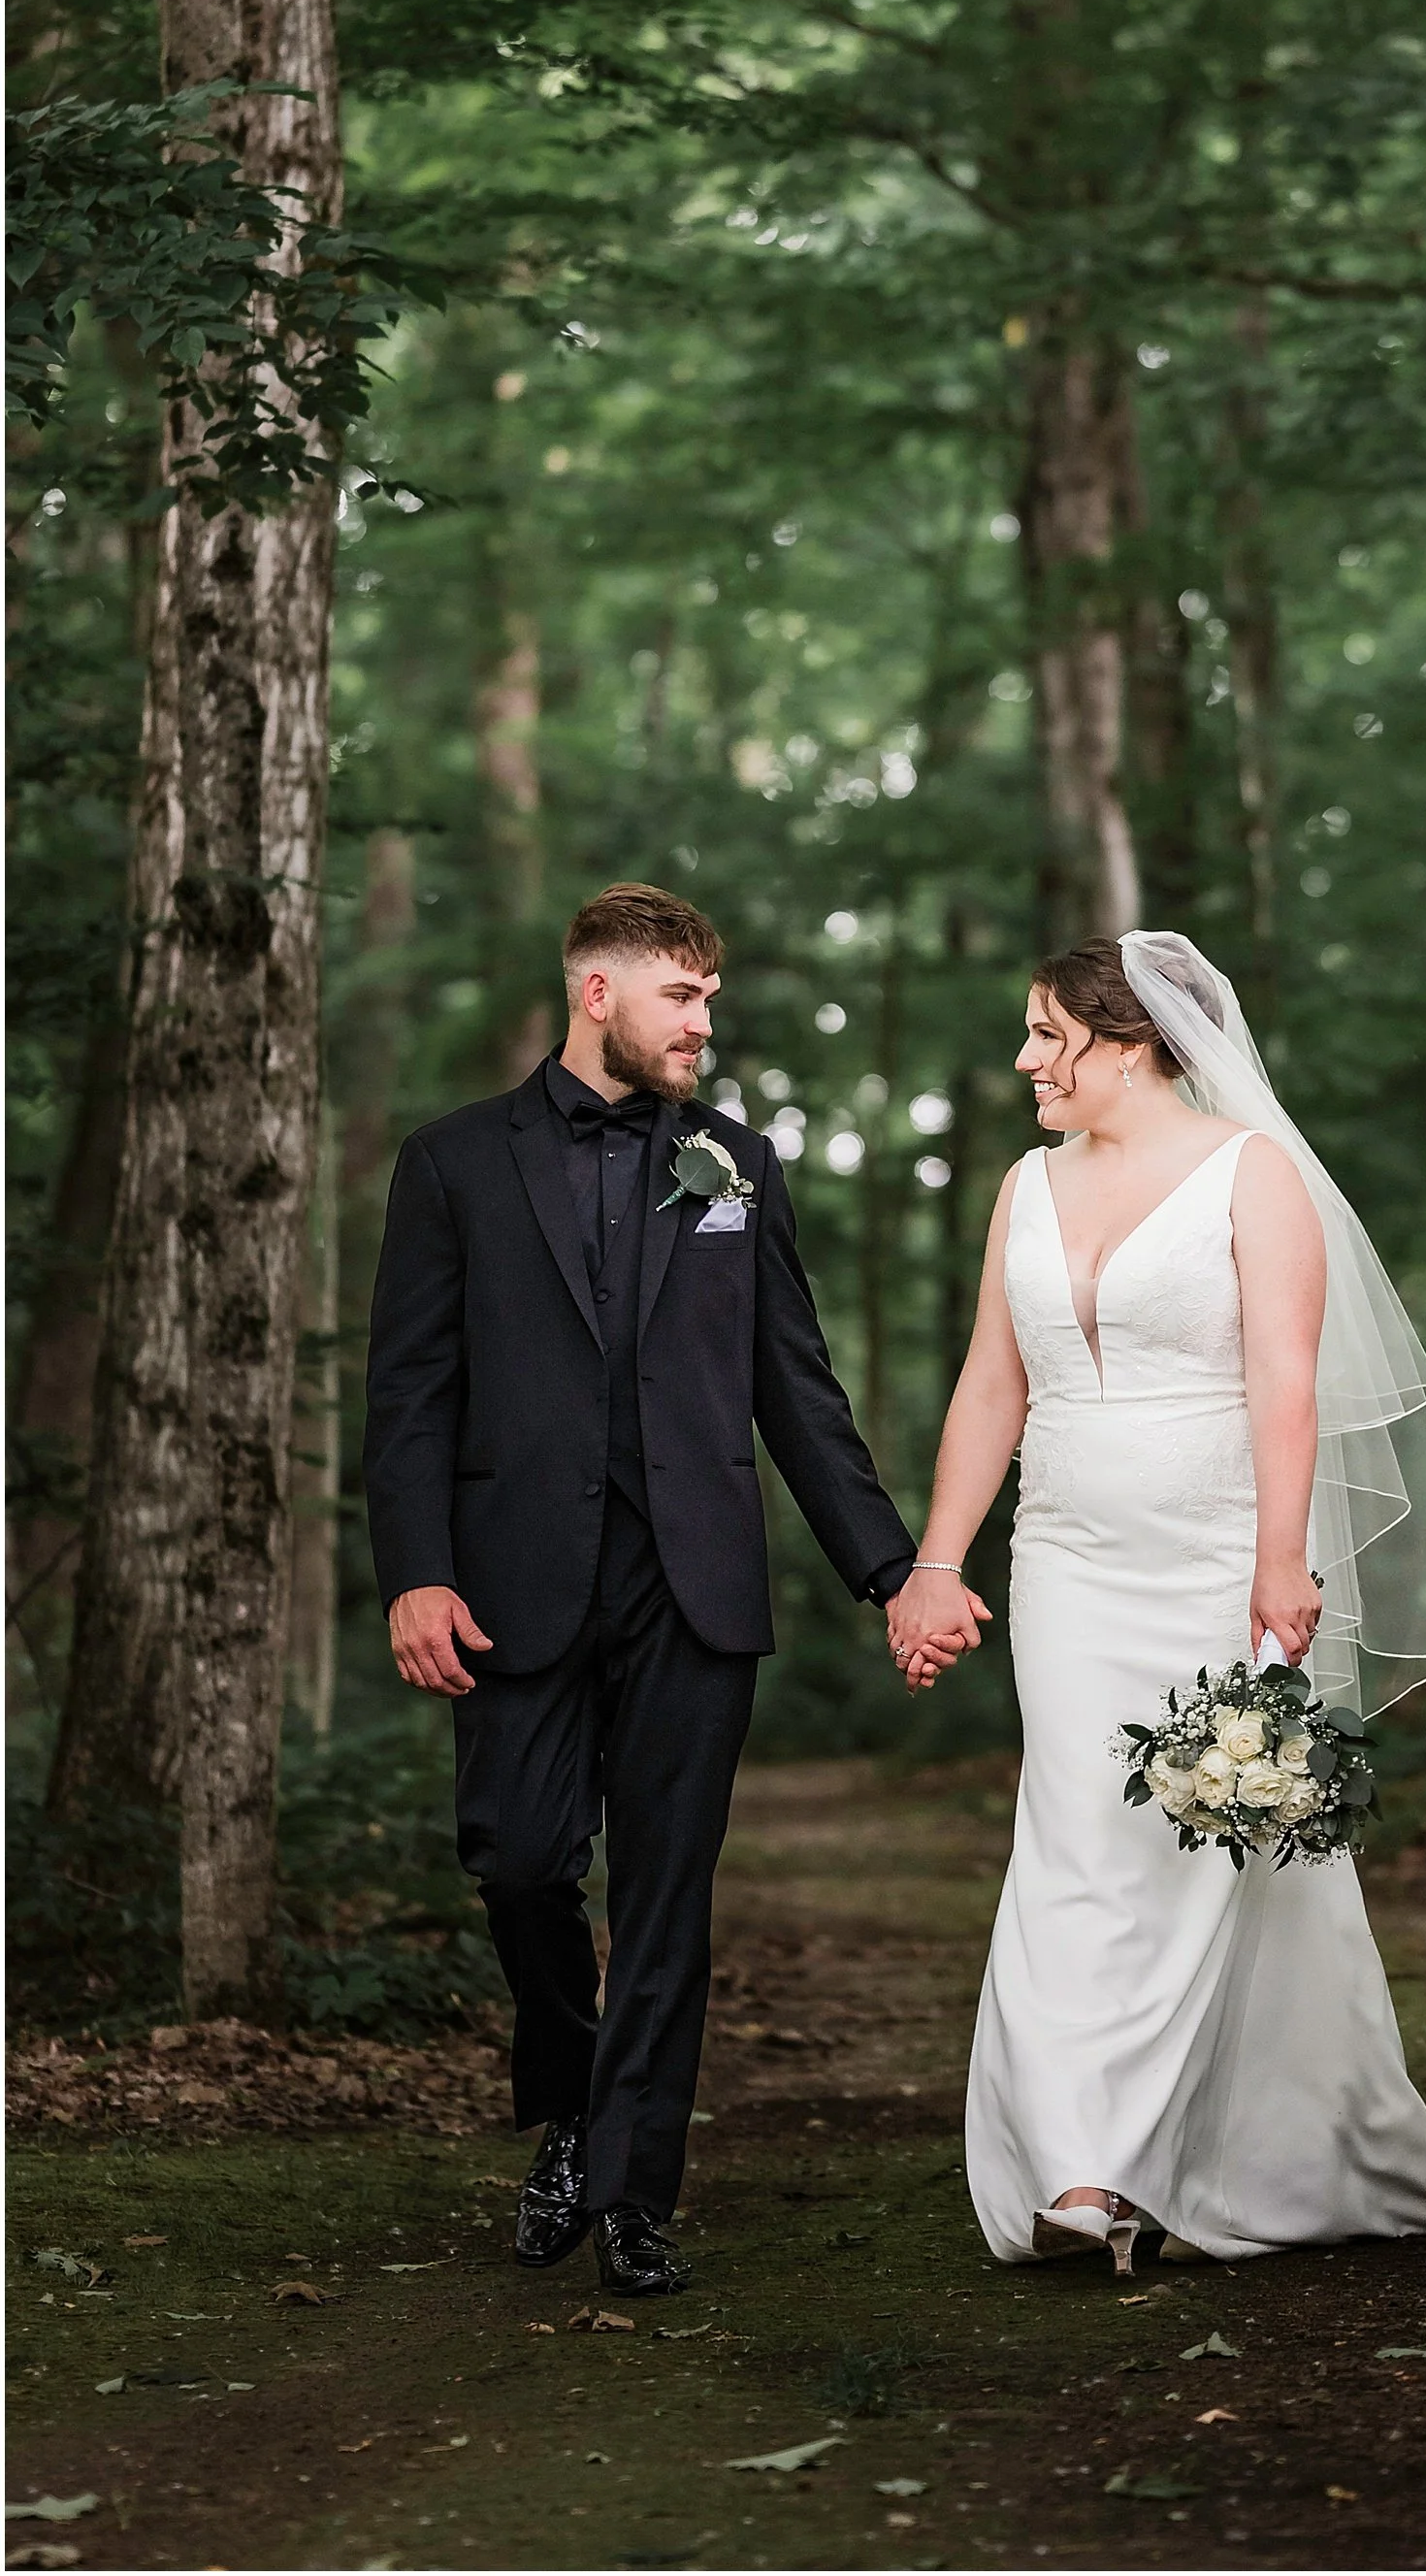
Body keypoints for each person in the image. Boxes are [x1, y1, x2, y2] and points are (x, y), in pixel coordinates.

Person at [889, 931, 1426, 2271]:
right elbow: (990, 1386)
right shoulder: (1023, 1184)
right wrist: (937, 1560)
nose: (1023, 1061)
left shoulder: (1257, 1177)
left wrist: (1281, 1560)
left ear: (1126, 1042)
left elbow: (1284, 1384)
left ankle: (1195, 2158)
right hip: (1063, 1559)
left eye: (1044, 1036)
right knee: (1073, 1839)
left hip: (1215, 1558)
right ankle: (1080, 2168)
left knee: (1201, 1857)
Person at [364, 883, 919, 2296]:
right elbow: (413, 1392)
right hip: (512, 1586)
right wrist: (417, 1573)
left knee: (668, 1894)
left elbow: (793, 1384)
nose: (705, 1024)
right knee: (522, 1861)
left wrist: (890, 1568)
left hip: (695, 1586)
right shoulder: (451, 1163)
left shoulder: (737, 1162)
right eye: (683, 997)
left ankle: (632, 2185)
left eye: (711, 998)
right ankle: (567, 2110)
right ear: (596, 992)